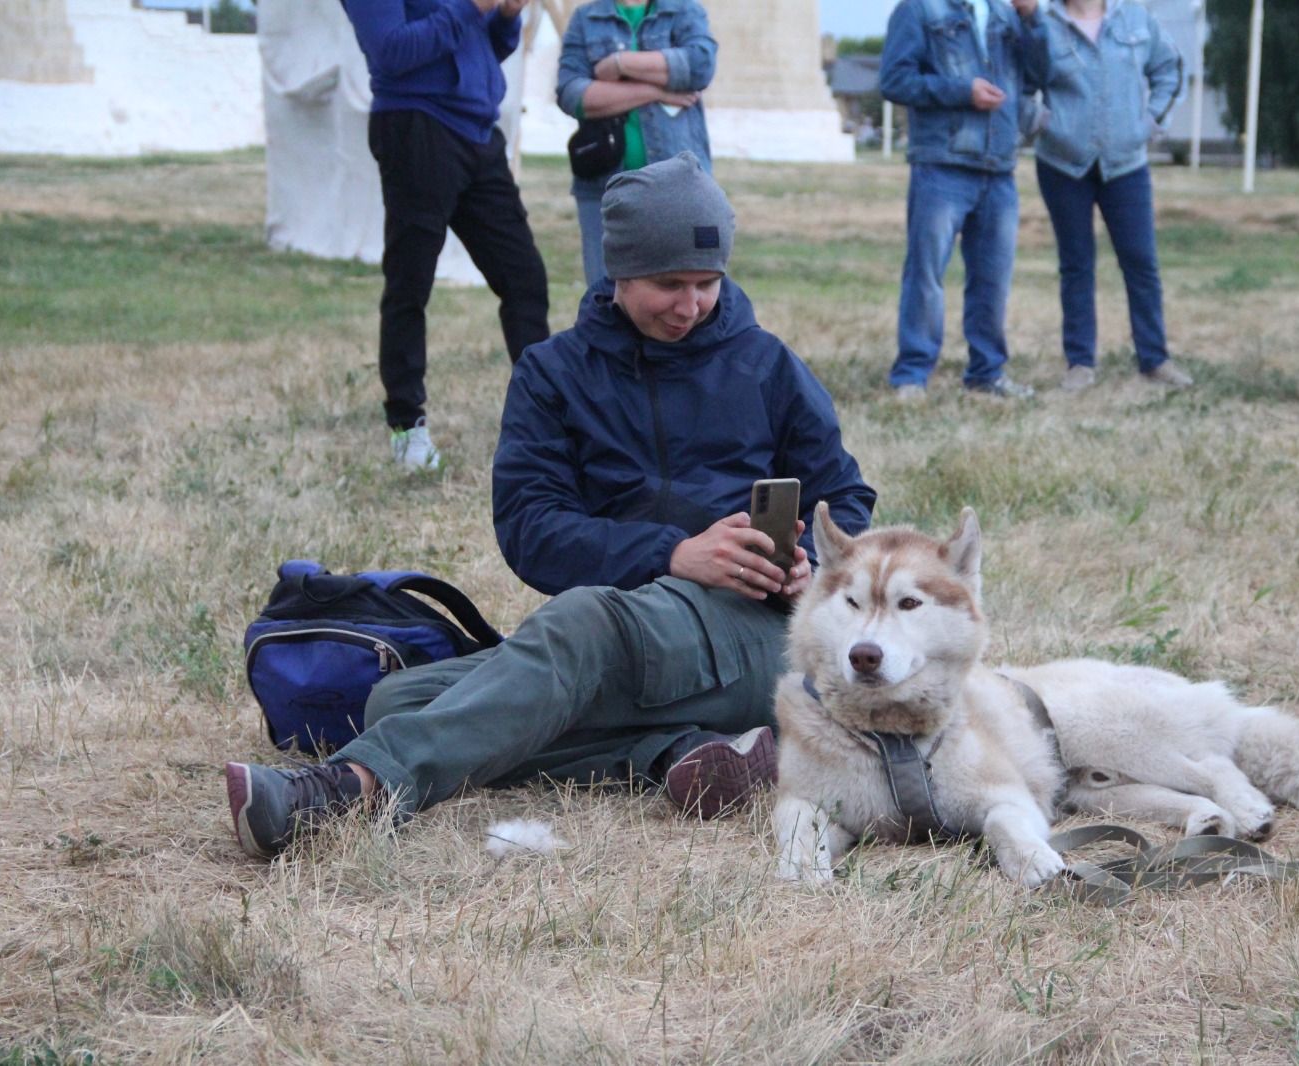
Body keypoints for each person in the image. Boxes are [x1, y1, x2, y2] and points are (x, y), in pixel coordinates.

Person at [223, 154, 877, 859]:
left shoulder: (769, 366)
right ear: (617, 270)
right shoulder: (552, 375)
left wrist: (817, 568)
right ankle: (672, 752)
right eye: (668, 284)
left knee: (580, 623)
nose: (689, 306)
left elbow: (846, 498)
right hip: (628, 639)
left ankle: (348, 788)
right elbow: (529, 528)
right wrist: (672, 554)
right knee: (398, 701)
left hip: (759, 637)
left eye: (706, 283)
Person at [343, 0, 552, 471]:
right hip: (416, 125)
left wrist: (505, 18)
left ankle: (548, 420)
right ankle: (406, 425)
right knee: (410, 282)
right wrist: (473, 7)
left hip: (478, 132)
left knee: (524, 280)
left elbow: (482, 52)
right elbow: (391, 52)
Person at [1025, 0, 1192, 394]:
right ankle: (1080, 363)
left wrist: (1150, 123)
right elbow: (1018, 82)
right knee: (1076, 265)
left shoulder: (1136, 18)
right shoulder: (1044, 25)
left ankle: (1154, 359)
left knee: (1141, 263)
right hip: (1063, 165)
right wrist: (1043, 122)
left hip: (1126, 165)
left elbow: (1171, 69)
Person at [880, 0, 1044, 401]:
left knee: (993, 280)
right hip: (941, 164)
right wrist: (961, 91)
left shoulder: (1008, 13)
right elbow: (894, 80)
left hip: (1000, 168)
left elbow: (1042, 74)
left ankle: (987, 373)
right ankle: (912, 376)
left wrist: (1032, 19)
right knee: (926, 276)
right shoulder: (918, 9)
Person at [556, 0, 717, 284]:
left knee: (683, 296)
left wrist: (620, 64)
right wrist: (656, 91)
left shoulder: (683, 10)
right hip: (604, 187)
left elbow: (700, 66)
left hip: (680, 187)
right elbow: (572, 94)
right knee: (606, 300)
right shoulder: (586, 18)